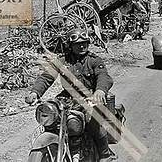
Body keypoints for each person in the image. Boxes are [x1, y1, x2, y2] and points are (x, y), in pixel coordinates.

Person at [25, 28, 114, 162]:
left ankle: (105, 154)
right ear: (70, 46)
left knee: (94, 123)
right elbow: (46, 77)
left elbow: (104, 77)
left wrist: (100, 91)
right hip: (67, 98)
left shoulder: (94, 60)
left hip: (90, 98)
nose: (82, 46)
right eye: (78, 44)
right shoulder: (61, 61)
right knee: (52, 117)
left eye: (84, 42)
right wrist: (35, 92)